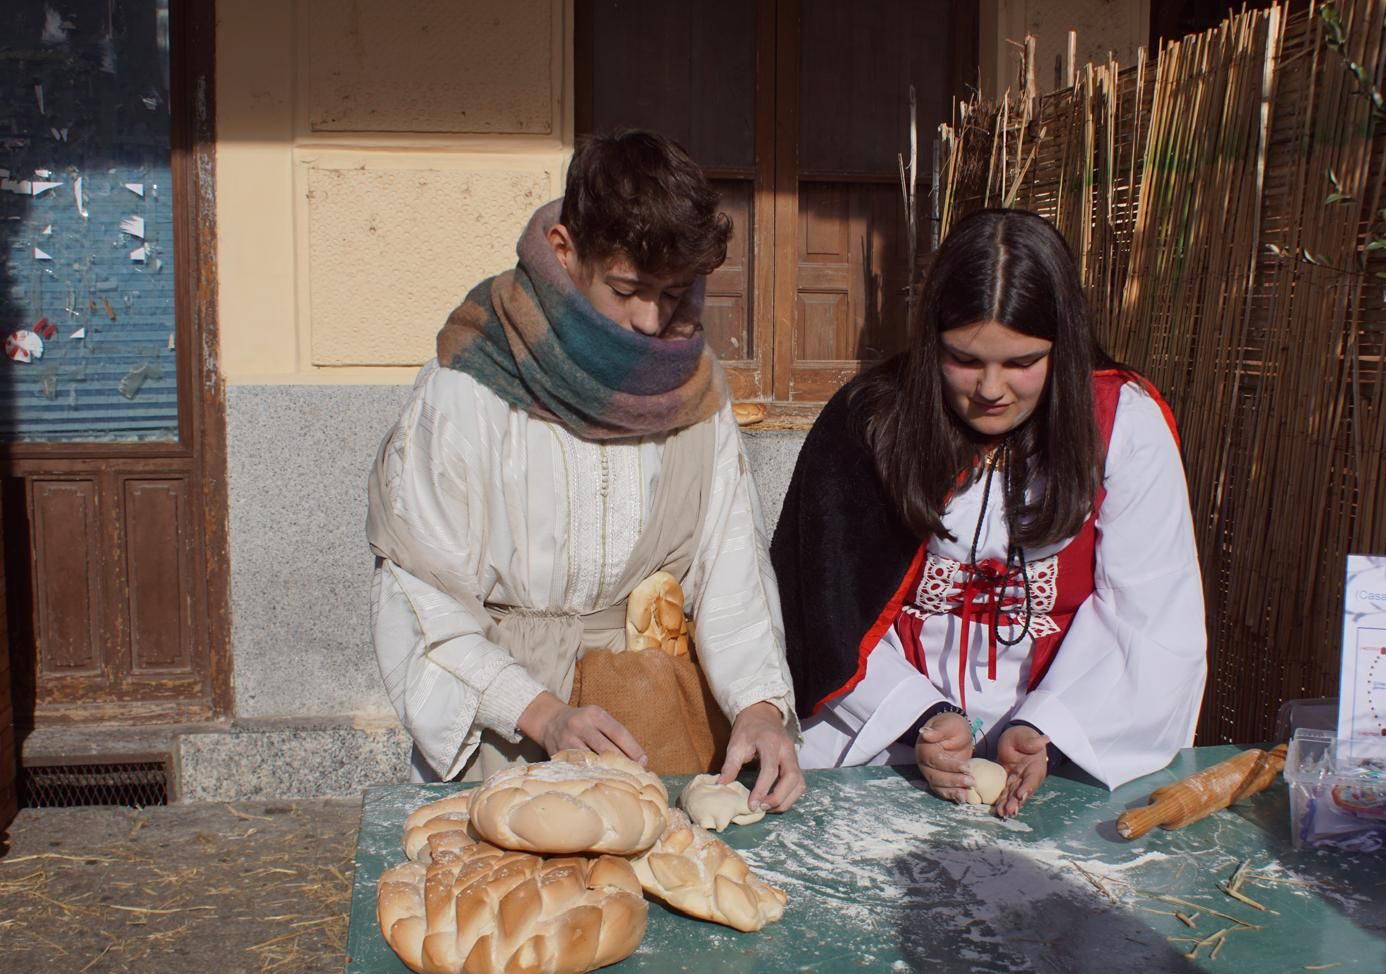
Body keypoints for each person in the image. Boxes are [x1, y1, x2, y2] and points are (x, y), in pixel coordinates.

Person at [368, 130, 804, 813]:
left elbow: (731, 565)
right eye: (628, 288)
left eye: (674, 292)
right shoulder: (468, 388)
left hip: (655, 726)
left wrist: (759, 706)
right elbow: (421, 588)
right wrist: (539, 712)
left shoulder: (696, 391)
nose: (651, 319)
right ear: (566, 251)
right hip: (506, 740)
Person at [771, 208, 1205, 817]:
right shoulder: (871, 420)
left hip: (1060, 752)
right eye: (966, 360)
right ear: (932, 342)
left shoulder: (1122, 422)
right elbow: (822, 601)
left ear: (1063, 345)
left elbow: (1150, 614)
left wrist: (1047, 729)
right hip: (873, 743)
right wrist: (917, 715)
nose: (992, 390)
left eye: (1023, 362)